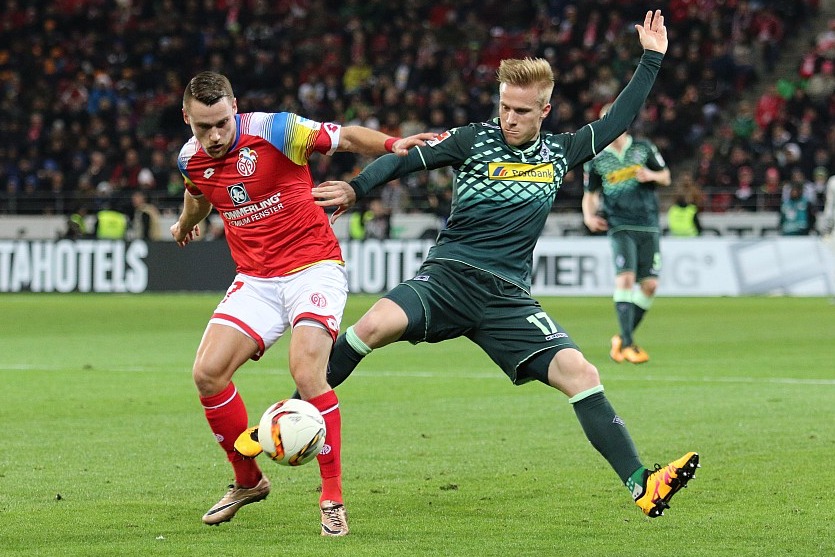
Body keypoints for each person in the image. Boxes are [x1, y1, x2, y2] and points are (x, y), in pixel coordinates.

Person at [306, 11, 699, 519]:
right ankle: (291, 412)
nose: (508, 117)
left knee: (580, 371)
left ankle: (641, 483)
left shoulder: (563, 151)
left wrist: (652, 58)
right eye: (504, 106)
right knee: (373, 325)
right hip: (447, 277)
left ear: (544, 110)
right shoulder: (472, 139)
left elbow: (618, 121)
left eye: (519, 110)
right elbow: (404, 158)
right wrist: (357, 188)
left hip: (507, 297)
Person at [170, 71, 431, 535]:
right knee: (206, 374)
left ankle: (331, 497)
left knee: (307, 371)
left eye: (221, 124)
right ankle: (248, 481)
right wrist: (183, 222)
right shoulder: (190, 159)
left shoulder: (276, 130)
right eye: (202, 127)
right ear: (187, 118)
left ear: (235, 107)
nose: (213, 136)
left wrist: (392, 145)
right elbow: (199, 197)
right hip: (255, 279)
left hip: (313, 267)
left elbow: (346, 136)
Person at [582, 106, 671, 365]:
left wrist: (650, 174)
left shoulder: (643, 149)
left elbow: (666, 177)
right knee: (625, 280)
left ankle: (621, 338)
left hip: (648, 223)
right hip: (619, 224)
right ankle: (630, 344)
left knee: (650, 285)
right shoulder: (596, 158)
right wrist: (588, 217)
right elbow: (590, 194)